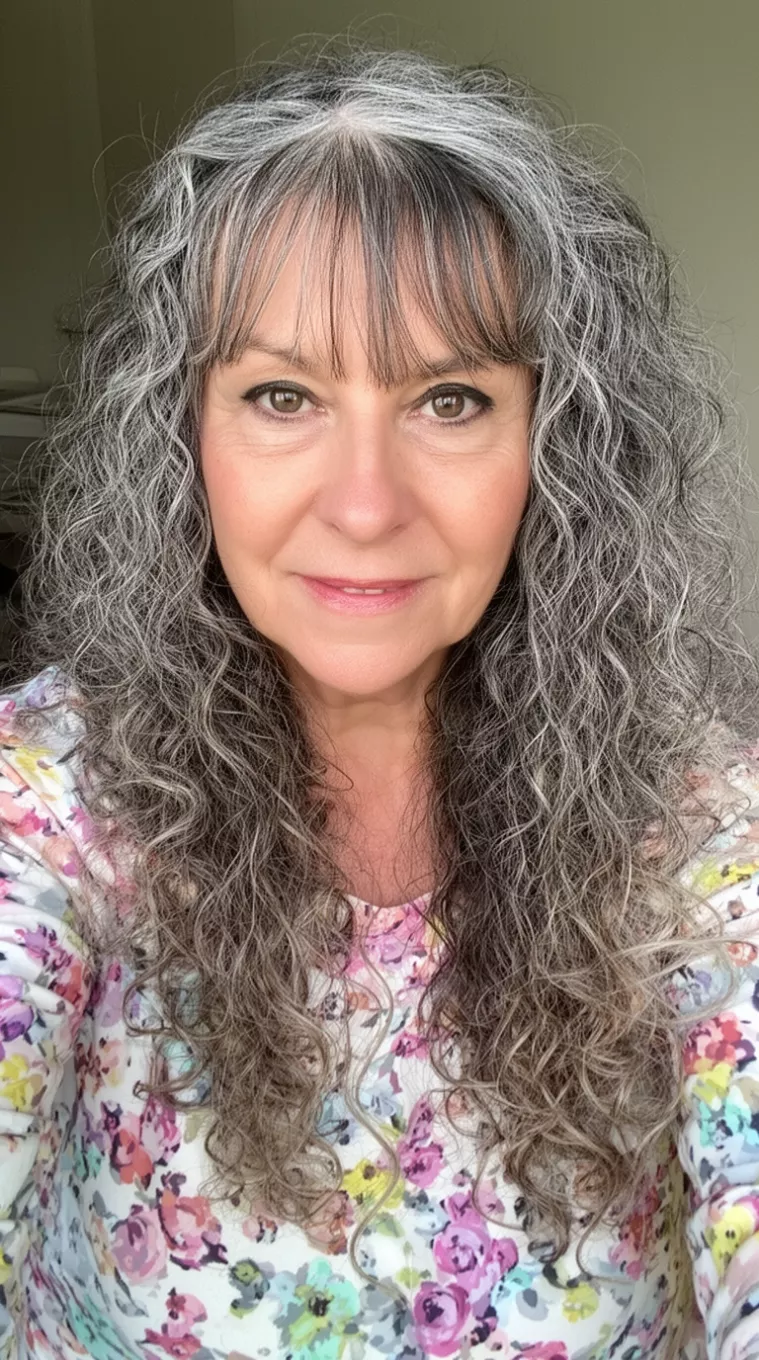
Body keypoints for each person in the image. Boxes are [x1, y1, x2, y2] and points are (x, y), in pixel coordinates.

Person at [1, 37, 759, 1360]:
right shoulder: (52, 801)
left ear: (557, 442)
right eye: (281, 394)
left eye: (450, 398)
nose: (363, 503)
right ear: (182, 435)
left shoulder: (696, 827)